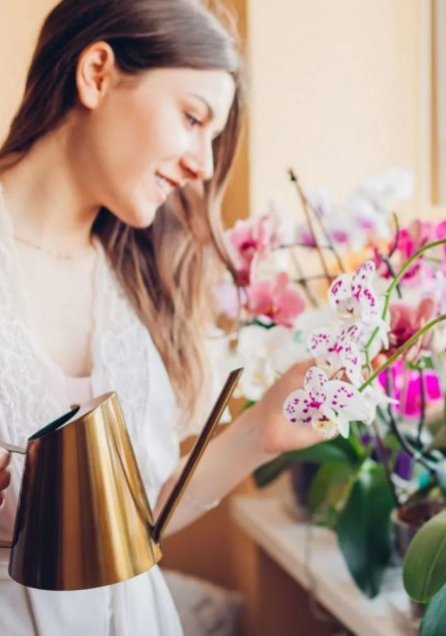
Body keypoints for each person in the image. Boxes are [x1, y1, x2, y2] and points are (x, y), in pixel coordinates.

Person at [0, 0, 323, 633]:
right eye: (192, 117)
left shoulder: (143, 282)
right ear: (97, 73)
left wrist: (261, 432)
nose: (203, 164)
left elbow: (130, 529)